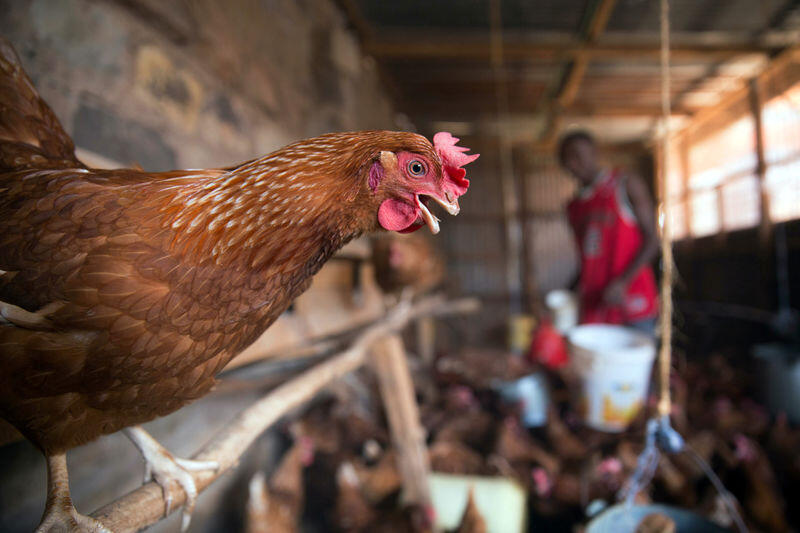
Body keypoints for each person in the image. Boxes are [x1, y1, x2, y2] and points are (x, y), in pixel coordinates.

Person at [558, 130, 659, 334]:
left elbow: (653, 241)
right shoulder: (574, 207)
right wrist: (567, 293)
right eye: (566, 159)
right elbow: (590, 259)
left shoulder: (624, 184)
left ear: (594, 153)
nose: (572, 163)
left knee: (633, 362)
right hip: (596, 306)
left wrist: (623, 282)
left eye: (577, 155)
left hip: (632, 301)